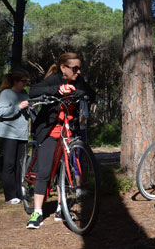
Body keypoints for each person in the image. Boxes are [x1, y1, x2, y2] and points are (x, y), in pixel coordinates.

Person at [26, 52, 95, 229]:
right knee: (45, 171)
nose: (78, 72)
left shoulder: (78, 81)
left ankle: (60, 207)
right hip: (50, 130)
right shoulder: (54, 79)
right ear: (64, 68)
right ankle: (37, 212)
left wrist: (77, 92)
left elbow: (90, 93)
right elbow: (34, 91)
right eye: (75, 68)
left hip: (69, 132)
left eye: (80, 68)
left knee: (64, 170)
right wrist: (58, 90)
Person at [0, 69, 31, 205]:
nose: (25, 84)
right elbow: (1, 112)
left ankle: (19, 192)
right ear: (15, 81)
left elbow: (26, 112)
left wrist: (30, 108)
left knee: (20, 165)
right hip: (8, 134)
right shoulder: (6, 93)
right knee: (9, 164)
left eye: (26, 81)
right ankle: (10, 195)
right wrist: (18, 106)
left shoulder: (24, 93)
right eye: (23, 81)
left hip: (21, 135)